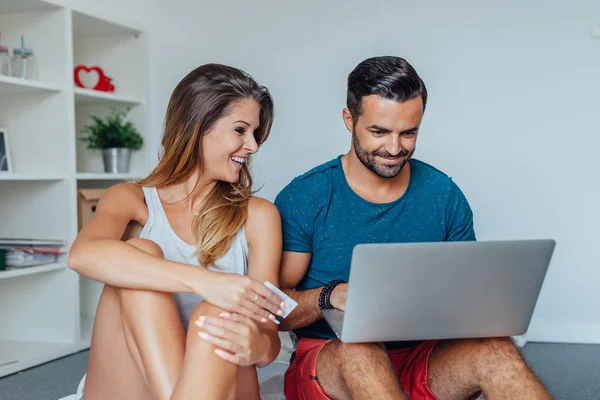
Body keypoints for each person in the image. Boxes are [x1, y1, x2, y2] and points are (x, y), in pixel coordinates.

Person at [275, 56, 551, 400]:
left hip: (424, 358)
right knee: (359, 347)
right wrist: (329, 295)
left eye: (408, 132)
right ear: (349, 120)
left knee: (497, 349)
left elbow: (470, 292)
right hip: (333, 360)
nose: (394, 148)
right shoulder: (306, 196)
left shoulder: (443, 194)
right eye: (379, 131)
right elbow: (275, 312)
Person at [68, 63, 287, 400]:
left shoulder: (258, 216)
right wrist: (207, 281)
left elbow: (269, 340)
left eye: (255, 133)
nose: (254, 146)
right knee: (140, 254)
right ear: (197, 126)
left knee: (216, 315)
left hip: (221, 383)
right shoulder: (131, 199)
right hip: (134, 385)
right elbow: (83, 254)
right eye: (241, 130)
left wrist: (256, 345)